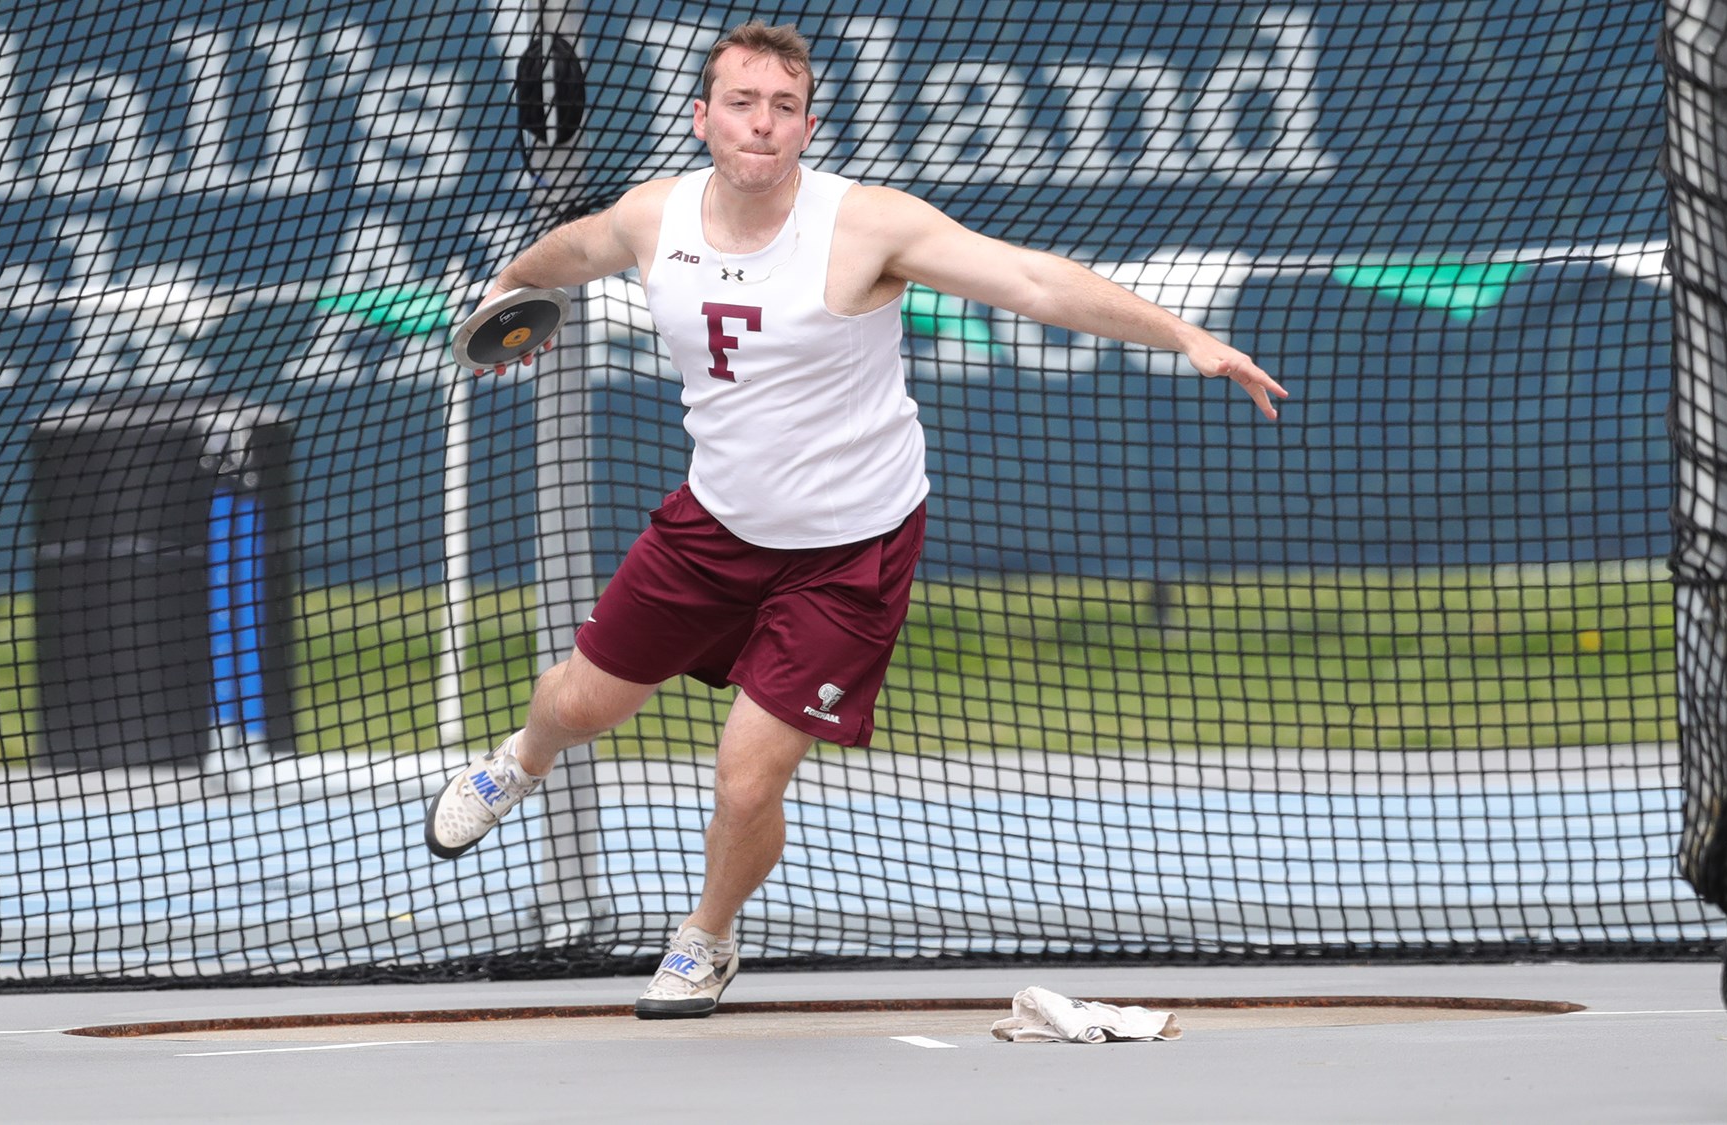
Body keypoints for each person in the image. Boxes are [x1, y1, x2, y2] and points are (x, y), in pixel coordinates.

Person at [425, 19, 1285, 1019]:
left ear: (806, 125)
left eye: (782, 108)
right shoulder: (656, 217)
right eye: (741, 103)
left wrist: (1179, 333)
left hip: (848, 551)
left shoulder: (866, 227)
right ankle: (515, 764)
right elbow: (578, 246)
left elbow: (1033, 279)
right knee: (577, 707)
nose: (761, 123)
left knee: (746, 781)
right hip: (713, 525)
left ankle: (703, 941)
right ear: (702, 118)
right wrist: (511, 289)